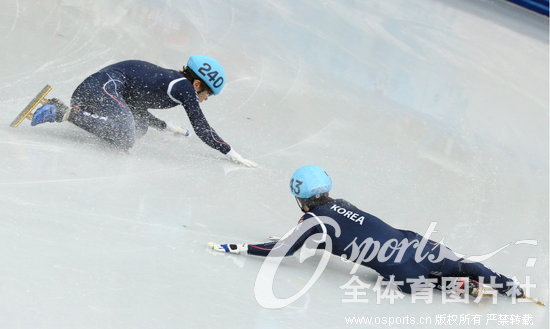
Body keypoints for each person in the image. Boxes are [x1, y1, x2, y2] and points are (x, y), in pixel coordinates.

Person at [209, 165, 525, 298]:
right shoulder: (341, 204)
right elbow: (342, 235)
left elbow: (281, 252)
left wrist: (235, 248)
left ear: (299, 198)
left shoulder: (311, 223)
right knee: (459, 261)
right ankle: (511, 287)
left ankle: (460, 288)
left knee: (417, 280)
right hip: (415, 243)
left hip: (401, 271)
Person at [30, 56, 257, 167]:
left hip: (95, 94)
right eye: (207, 94)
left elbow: (136, 108)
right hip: (98, 91)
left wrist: (165, 126)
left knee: (139, 128)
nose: (205, 100)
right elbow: (201, 126)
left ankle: (76, 112)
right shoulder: (183, 88)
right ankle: (60, 111)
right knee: (126, 135)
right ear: (197, 84)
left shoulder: (173, 82)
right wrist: (230, 152)